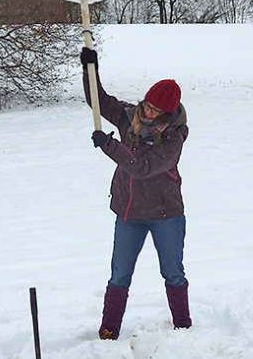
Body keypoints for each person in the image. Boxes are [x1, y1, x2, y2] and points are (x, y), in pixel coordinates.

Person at [81, 47, 191, 340]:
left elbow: (142, 167)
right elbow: (98, 101)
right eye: (148, 105)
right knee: (119, 274)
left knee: (173, 273)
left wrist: (109, 146)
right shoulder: (130, 116)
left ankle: (183, 327)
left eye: (156, 111)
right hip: (128, 212)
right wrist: (90, 69)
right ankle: (109, 330)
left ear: (167, 114)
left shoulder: (173, 137)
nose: (149, 112)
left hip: (165, 214)